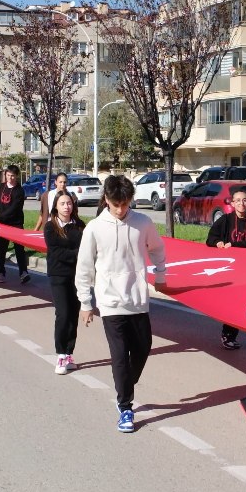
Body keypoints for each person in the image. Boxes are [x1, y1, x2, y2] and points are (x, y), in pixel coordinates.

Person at [75, 175, 167, 434]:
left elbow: (158, 249)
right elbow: (84, 267)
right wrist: (85, 302)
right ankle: (125, 406)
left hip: (137, 299)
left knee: (143, 347)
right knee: (119, 355)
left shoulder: (143, 223)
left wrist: (160, 276)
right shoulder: (94, 227)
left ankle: (126, 382)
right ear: (106, 200)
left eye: (125, 204)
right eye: (116, 204)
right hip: (110, 301)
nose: (120, 209)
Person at [205, 187, 246, 350]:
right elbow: (210, 238)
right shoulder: (225, 220)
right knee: (229, 302)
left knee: (242, 301)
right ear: (232, 202)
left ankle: (233, 333)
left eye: (245, 200)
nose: (241, 203)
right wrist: (218, 243)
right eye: (238, 200)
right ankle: (227, 333)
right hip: (228, 268)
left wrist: (233, 245)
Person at [45, 190, 85, 375]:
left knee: (74, 314)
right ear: (55, 206)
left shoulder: (79, 226)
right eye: (63, 203)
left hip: (77, 276)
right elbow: (56, 252)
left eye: (69, 203)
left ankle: (69, 353)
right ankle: (60, 354)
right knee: (63, 313)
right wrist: (77, 254)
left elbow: (86, 248)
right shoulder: (50, 227)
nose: (67, 207)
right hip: (58, 275)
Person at [0, 164, 29, 284]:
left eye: (13, 176)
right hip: (2, 224)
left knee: (19, 249)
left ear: (17, 176)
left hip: (15, 223)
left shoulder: (19, 190)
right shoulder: (1, 187)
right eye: (8, 175)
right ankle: (0, 272)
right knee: (2, 250)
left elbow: (14, 209)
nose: (10, 178)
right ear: (5, 175)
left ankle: (23, 272)